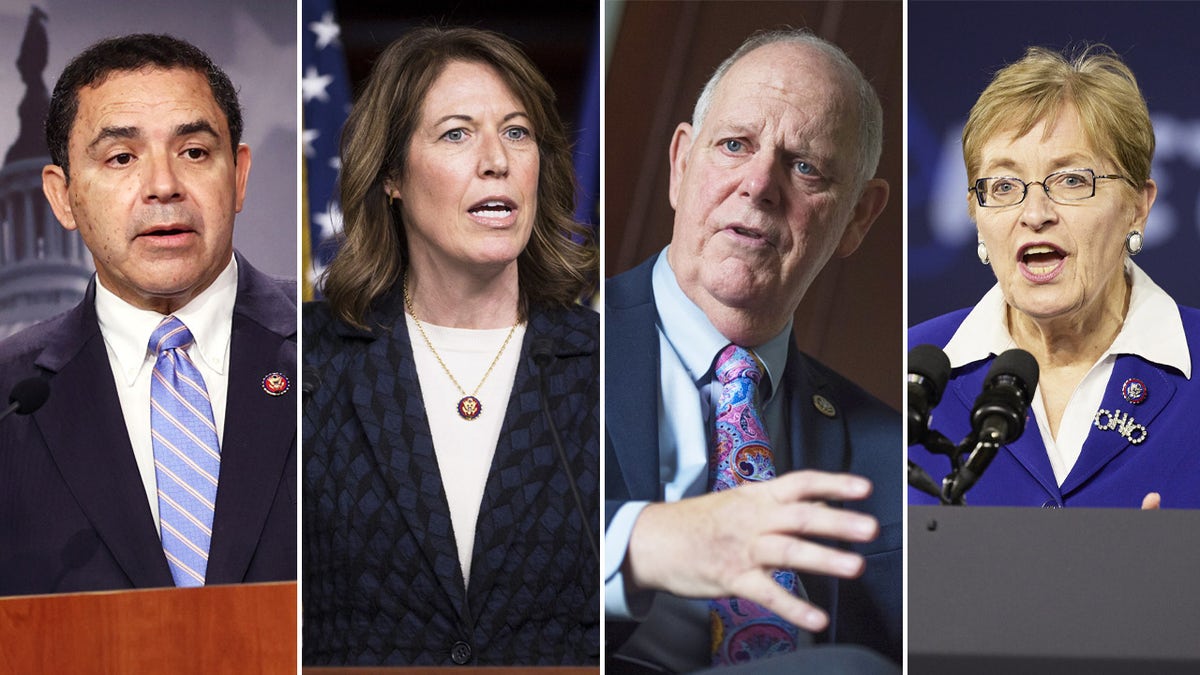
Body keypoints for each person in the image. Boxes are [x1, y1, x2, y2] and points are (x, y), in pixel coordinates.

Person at [605, 30, 901, 672]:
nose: (759, 183)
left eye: (805, 167)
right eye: (734, 145)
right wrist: (644, 542)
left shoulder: (894, 454)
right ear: (682, 165)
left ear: (857, 218)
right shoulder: (539, 345)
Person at [302, 27, 599, 666]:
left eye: (517, 132)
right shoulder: (308, 361)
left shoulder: (609, 364)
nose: (496, 159)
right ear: (391, 176)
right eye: (456, 133)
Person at [0, 34, 296, 594]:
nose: (163, 186)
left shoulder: (343, 350)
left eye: (194, 152)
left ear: (239, 175)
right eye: (121, 158)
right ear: (63, 197)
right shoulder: (11, 397)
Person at [908, 45, 1200, 509]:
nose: (1035, 213)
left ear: (1138, 207)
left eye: (1071, 180)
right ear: (975, 213)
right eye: (1004, 186)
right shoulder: (910, 375)